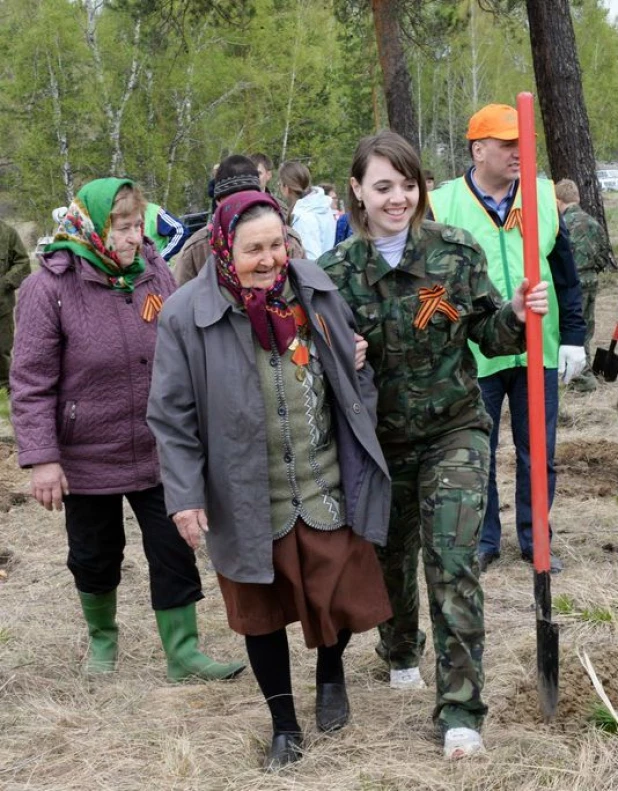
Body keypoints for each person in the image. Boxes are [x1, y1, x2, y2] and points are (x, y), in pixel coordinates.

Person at [318, 130, 550, 759]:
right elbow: (314, 367)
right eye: (384, 186)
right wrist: (345, 359)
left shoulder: (454, 253)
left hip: (455, 429)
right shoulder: (333, 276)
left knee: (452, 561)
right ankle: (398, 647)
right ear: (358, 192)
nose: (398, 197)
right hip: (381, 446)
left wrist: (522, 315)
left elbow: (491, 332)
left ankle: (460, 709)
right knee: (391, 560)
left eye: (408, 184)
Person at [147, 191, 392, 771]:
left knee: (334, 594)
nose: (268, 259)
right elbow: (171, 417)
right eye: (253, 248)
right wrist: (184, 497)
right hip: (246, 496)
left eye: (276, 244)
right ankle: (284, 722)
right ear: (224, 249)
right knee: (261, 613)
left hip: (324, 481)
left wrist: (360, 375)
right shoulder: (185, 314)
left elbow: (356, 366)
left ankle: (331, 676)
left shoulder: (314, 288)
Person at [10, 177, 245, 683]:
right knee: (94, 555)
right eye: (121, 228)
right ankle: (102, 641)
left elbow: (186, 341)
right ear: (92, 227)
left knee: (174, 547)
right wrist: (42, 458)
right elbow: (29, 381)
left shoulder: (154, 272)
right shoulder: (47, 288)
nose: (134, 237)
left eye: (138, 225)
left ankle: (183, 654)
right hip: (86, 451)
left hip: (159, 446)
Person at [429, 104, 586, 575]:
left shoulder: (541, 198)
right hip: (474, 354)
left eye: (522, 144)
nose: (519, 152)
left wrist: (574, 337)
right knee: (478, 451)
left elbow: (567, 275)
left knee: (538, 450)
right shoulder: (443, 204)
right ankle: (484, 540)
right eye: (506, 144)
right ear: (478, 149)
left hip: (539, 346)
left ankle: (536, 537)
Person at [174, 155, 303, 286]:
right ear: (218, 202)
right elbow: (180, 300)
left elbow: (304, 291)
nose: (241, 207)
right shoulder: (198, 248)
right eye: (233, 201)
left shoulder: (287, 239)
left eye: (248, 198)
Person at [555, 178, 611, 392]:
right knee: (586, 326)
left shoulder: (562, 223)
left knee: (569, 326)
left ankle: (579, 375)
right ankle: (581, 368)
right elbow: (603, 254)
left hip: (570, 283)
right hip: (591, 280)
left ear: (559, 201)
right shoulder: (593, 222)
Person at [279, 161, 336, 259]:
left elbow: (311, 260)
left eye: (280, 183)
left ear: (286, 187)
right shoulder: (322, 206)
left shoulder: (303, 217)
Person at [0, 218, 30, 392]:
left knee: (2, 348)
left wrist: (6, 282)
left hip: (1, 305)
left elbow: (23, 262)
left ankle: (3, 387)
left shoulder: (8, 233)